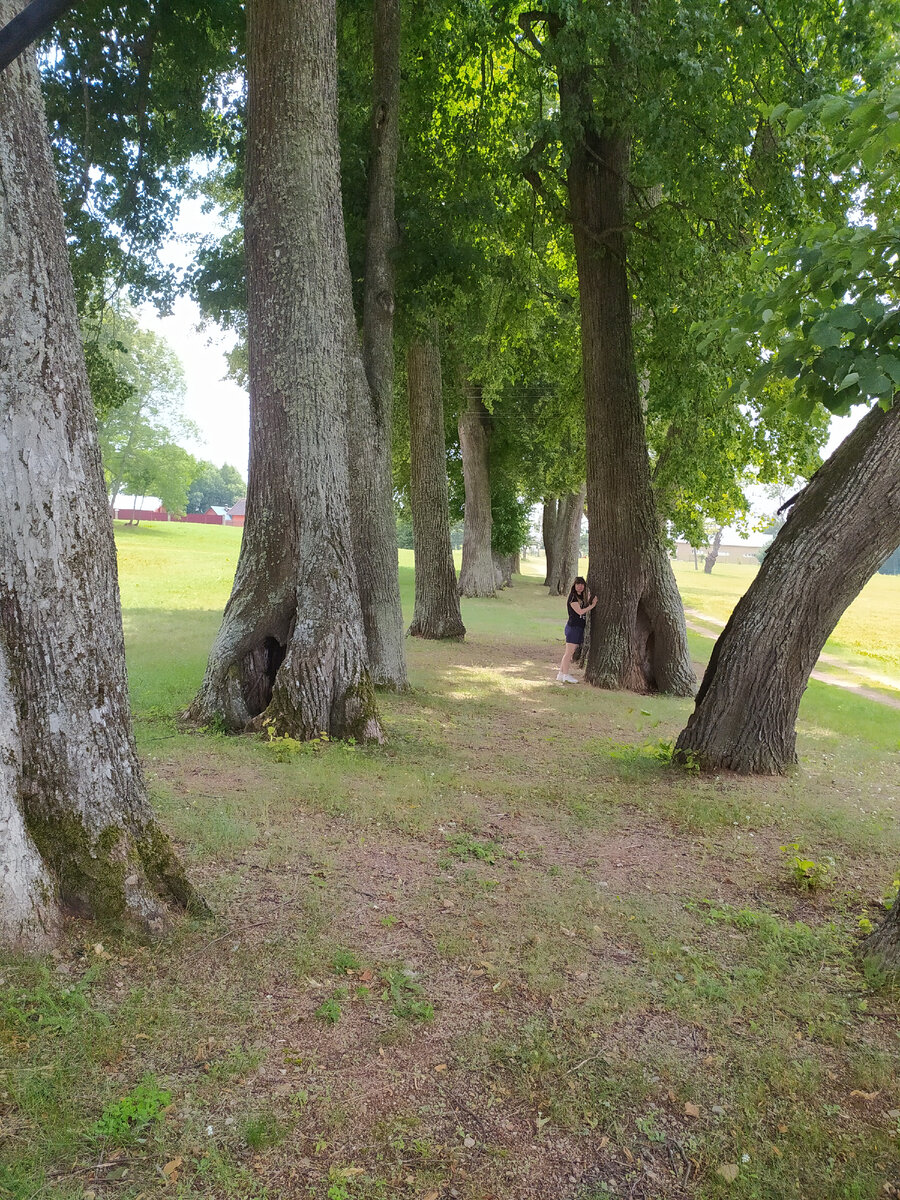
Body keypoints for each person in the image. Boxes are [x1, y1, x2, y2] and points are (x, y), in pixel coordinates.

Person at [557, 576, 596, 683]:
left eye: (582, 584)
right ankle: (565, 675)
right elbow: (580, 612)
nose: (580, 586)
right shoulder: (573, 597)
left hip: (578, 628)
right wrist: (592, 605)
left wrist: (588, 599)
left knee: (569, 652)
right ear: (574, 585)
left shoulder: (580, 596)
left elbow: (583, 604)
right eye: (578, 584)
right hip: (573, 627)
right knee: (569, 653)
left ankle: (561, 674)